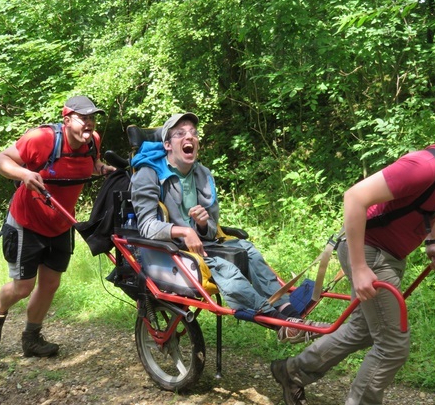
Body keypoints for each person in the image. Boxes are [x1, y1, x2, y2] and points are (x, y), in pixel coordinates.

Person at [271, 111, 435, 405]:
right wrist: (360, 268)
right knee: (393, 346)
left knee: (362, 331)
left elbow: (434, 204)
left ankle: (293, 371)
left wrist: (432, 242)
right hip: (370, 250)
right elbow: (354, 197)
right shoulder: (423, 167)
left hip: (389, 254)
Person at [130, 113, 325, 343]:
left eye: (193, 132)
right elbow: (145, 227)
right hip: (168, 252)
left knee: (247, 250)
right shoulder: (148, 174)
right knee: (226, 269)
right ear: (167, 145)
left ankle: (289, 314)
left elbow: (212, 230)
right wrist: (183, 231)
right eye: (180, 133)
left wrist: (202, 225)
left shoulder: (203, 174)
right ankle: (277, 321)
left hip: (203, 246)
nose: (189, 137)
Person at [0, 96, 116, 357]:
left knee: (50, 283)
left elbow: (92, 163)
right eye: (83, 118)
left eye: (92, 118)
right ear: (67, 120)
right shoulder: (41, 138)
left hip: (61, 222)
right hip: (26, 221)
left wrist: (102, 169)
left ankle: (31, 338)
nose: (89, 124)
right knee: (23, 286)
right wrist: (24, 174)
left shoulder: (93, 141)